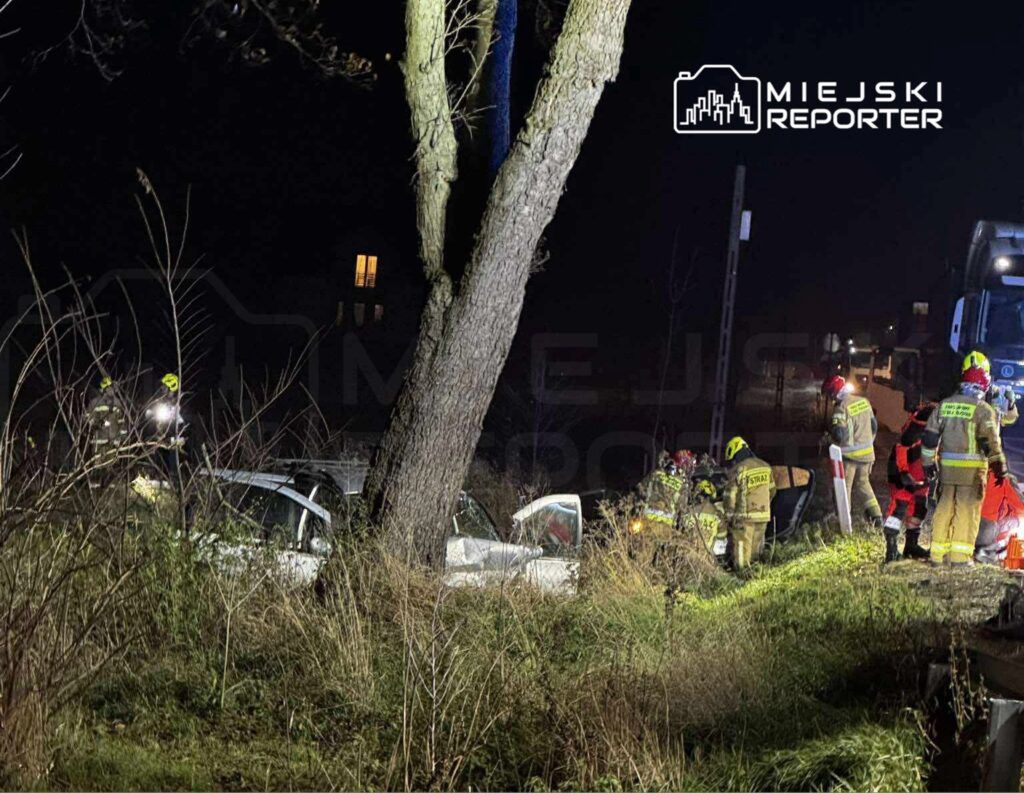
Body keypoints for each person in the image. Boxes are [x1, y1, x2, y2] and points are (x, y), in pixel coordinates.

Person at [921, 364, 1008, 566]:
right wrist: (999, 466)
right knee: (966, 513)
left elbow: (930, 438)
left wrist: (928, 463)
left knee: (943, 509)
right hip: (971, 472)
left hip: (946, 471)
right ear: (981, 387)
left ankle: (936, 555)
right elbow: (990, 442)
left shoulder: (944, 405)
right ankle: (959, 558)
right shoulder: (982, 410)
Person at [822, 375, 882, 525]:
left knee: (844, 487)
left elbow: (839, 434)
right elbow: (874, 427)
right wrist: (868, 443)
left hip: (849, 457)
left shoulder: (840, 408)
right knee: (863, 484)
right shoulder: (864, 402)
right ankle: (877, 517)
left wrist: (828, 439)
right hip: (868, 455)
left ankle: (843, 522)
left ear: (833, 393)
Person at [882, 402, 936, 563]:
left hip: (921, 476)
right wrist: (904, 473)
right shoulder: (917, 429)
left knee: (919, 509)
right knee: (898, 510)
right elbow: (902, 448)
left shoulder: (933, 427)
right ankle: (891, 551)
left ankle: (911, 547)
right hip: (904, 477)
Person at [722, 436, 775, 569]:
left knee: (741, 550)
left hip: (744, 518)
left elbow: (730, 497)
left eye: (732, 460)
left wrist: (729, 517)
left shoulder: (738, 469)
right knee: (755, 549)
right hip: (763, 516)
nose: (733, 463)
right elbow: (773, 490)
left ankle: (741, 577)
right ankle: (755, 574)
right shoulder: (765, 466)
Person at [637, 450, 689, 537]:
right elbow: (682, 507)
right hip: (666, 523)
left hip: (648, 518)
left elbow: (641, 489)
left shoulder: (656, 473)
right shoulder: (681, 483)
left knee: (644, 546)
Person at [87, 375, 128, 457]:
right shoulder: (95, 403)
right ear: (103, 390)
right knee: (99, 467)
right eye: (108, 388)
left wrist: (123, 439)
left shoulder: (118, 403)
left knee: (113, 467)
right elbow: (88, 419)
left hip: (114, 443)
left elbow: (122, 422)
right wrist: (99, 424)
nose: (111, 390)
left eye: (111, 388)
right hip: (99, 444)